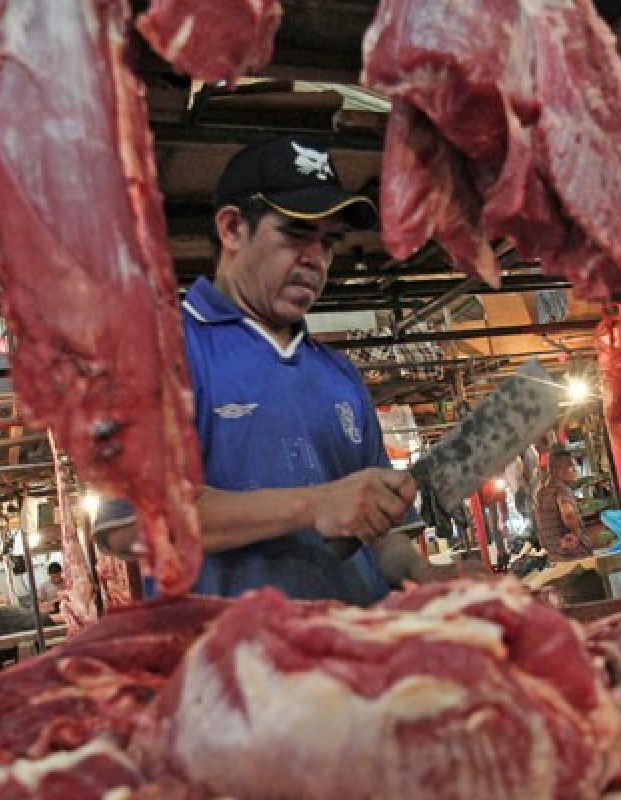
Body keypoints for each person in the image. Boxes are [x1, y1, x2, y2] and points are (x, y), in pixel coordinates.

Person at [96, 136, 417, 606]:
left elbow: (379, 535)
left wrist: (427, 574)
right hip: (234, 667)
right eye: (295, 234)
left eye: (329, 243)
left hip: (354, 661)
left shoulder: (339, 374)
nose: (316, 260)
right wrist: (314, 505)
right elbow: (131, 526)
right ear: (231, 229)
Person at [533, 446, 592, 561]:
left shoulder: (540, 490)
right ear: (559, 470)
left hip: (554, 554)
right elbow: (568, 514)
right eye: (572, 467)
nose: (575, 470)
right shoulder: (561, 489)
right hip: (572, 553)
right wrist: (578, 534)